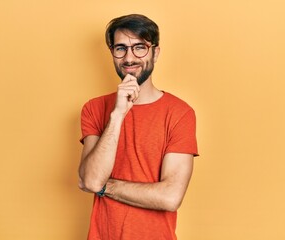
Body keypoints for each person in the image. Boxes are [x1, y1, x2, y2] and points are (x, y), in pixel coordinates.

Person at [78, 14, 198, 240]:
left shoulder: (180, 113)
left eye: (139, 47)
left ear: (156, 52)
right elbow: (92, 179)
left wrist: (105, 187)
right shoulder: (94, 109)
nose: (129, 58)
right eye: (121, 48)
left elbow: (170, 197)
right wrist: (117, 115)